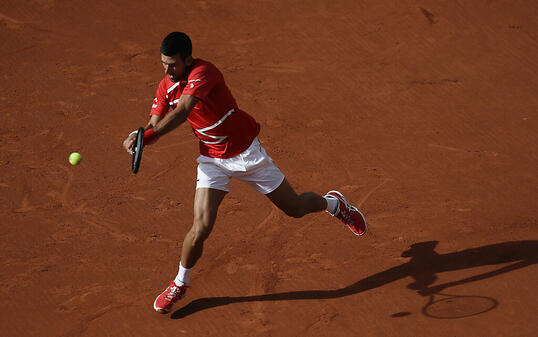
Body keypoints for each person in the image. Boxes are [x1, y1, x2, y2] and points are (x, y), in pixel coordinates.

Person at [122, 32, 367, 314]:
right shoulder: (166, 85)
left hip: (247, 154)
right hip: (212, 159)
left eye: (172, 64)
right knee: (201, 227)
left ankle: (334, 204)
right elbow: (155, 121)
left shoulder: (204, 72)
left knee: (296, 208)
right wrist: (139, 136)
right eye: (163, 64)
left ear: (188, 59)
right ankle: (180, 282)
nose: (166, 70)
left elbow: (182, 111)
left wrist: (148, 135)